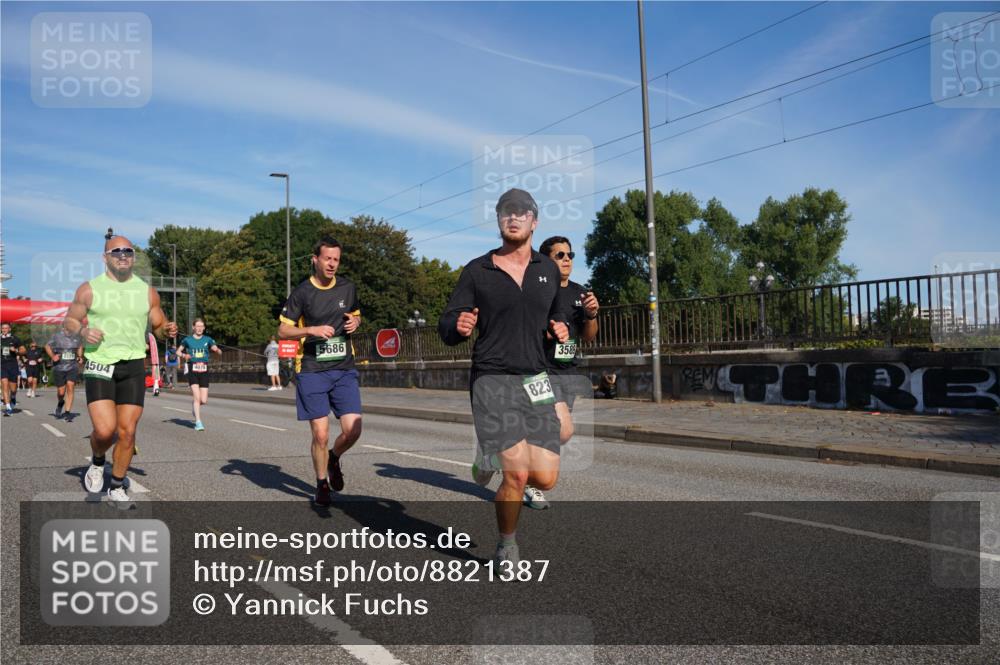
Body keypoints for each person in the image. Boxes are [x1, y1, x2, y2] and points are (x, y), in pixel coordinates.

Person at [438, 188, 569, 567]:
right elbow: (446, 323)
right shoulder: (478, 271)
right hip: (492, 378)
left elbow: (558, 313)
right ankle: (506, 546)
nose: (514, 218)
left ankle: (487, 454)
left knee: (544, 479)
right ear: (498, 220)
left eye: (522, 212)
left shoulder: (547, 269)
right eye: (506, 212)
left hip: (536, 379)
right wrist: (457, 325)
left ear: (534, 220)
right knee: (517, 473)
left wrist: (559, 328)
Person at [62, 235, 177, 506]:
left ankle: (116, 486)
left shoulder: (147, 291)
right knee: (105, 431)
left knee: (127, 431)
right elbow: (69, 320)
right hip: (100, 363)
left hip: (134, 364)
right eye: (116, 251)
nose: (123, 255)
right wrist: (83, 330)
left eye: (128, 251)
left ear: (133, 257)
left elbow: (158, 326)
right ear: (105, 258)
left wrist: (167, 329)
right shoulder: (89, 289)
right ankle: (98, 460)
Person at [278, 235, 363, 507]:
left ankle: (334, 458)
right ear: (315, 259)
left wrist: (356, 322)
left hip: (344, 368)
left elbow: (356, 314)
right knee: (321, 434)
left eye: (336, 259)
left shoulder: (348, 288)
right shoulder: (302, 292)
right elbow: (282, 330)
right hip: (313, 369)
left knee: (353, 430)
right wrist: (310, 330)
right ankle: (321, 484)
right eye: (327, 258)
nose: (332, 264)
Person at [520, 236, 601, 510]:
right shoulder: (536, 291)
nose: (567, 259)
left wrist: (591, 315)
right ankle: (529, 481)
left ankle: (513, 457)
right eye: (560, 255)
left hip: (568, 371)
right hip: (539, 370)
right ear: (545, 261)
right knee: (562, 428)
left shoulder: (579, 293)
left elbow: (589, 338)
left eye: (570, 254)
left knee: (560, 433)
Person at [177, 319, 221, 432]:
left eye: (202, 326)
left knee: (204, 400)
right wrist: (184, 355)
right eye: (198, 326)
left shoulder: (208, 339)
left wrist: (217, 350)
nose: (200, 328)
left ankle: (194, 406)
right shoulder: (187, 340)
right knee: (197, 397)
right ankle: (198, 422)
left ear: (204, 328)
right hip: (193, 369)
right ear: (193, 327)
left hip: (204, 370)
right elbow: (177, 352)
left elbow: (214, 348)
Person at [45, 327, 84, 420]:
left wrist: (79, 356)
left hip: (72, 366)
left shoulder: (76, 337)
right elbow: (47, 346)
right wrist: (53, 356)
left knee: (70, 386)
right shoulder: (56, 336)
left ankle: (67, 412)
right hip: (59, 366)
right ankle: (60, 402)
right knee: (61, 392)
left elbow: (80, 346)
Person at [1, 323, 25, 416]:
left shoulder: (15, 339)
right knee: (4, 384)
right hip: (2, 364)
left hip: (12, 364)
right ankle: (8, 407)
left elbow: (23, 350)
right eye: (2, 328)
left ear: (9, 329)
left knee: (13, 388)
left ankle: (13, 397)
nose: (4, 330)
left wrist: (15, 350)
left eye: (6, 328)